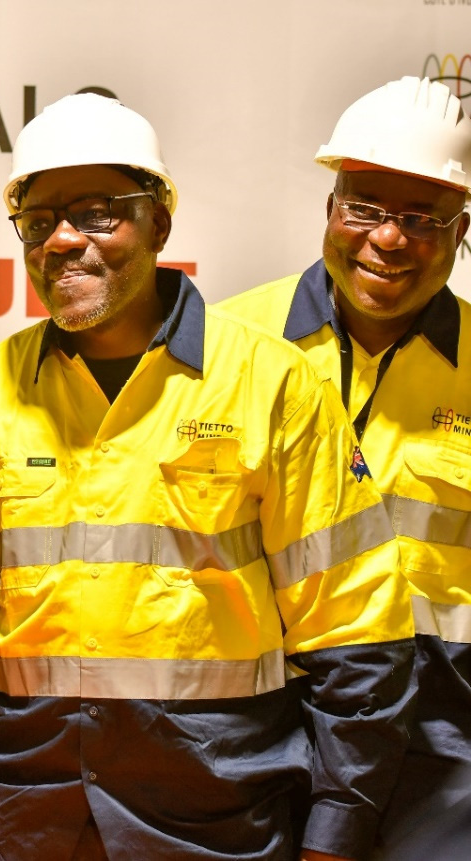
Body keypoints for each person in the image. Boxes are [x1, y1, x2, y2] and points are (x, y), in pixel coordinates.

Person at [0, 93, 416, 861]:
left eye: (100, 212)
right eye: (40, 221)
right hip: (20, 805)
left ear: (160, 222)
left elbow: (358, 632)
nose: (65, 239)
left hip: (216, 807)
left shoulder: (272, 384)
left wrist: (338, 828)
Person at [220, 76, 471, 849]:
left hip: (444, 749)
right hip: (259, 733)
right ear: (329, 209)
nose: (389, 239)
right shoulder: (230, 346)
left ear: (462, 232)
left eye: (423, 218)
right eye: (365, 206)